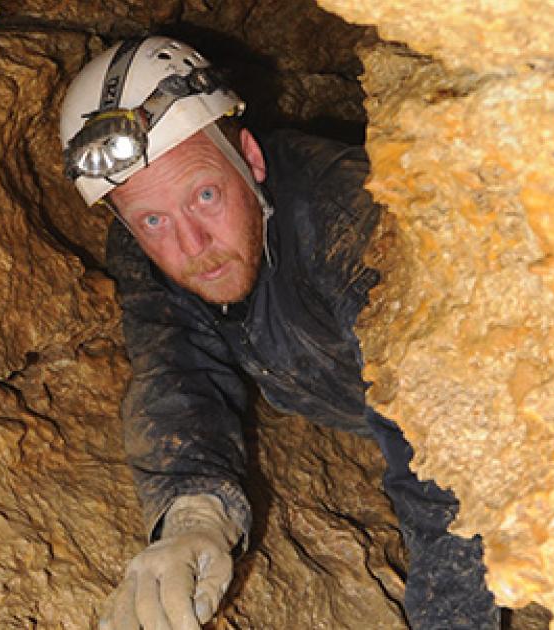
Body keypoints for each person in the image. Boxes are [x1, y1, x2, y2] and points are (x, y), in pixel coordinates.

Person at [58, 35, 499, 630]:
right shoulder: (147, 249)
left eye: (206, 195)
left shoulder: (351, 220)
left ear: (251, 158)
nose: (191, 246)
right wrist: (194, 511)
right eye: (153, 220)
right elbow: (177, 368)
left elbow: (444, 448)